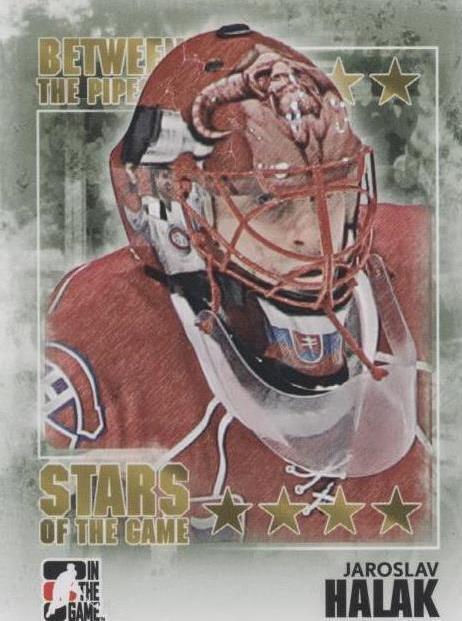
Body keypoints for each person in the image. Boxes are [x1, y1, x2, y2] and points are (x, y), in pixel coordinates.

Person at [44, 25, 432, 543]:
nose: (320, 236)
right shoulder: (100, 333)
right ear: (175, 212)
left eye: (334, 192)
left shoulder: (425, 259)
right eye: (270, 203)